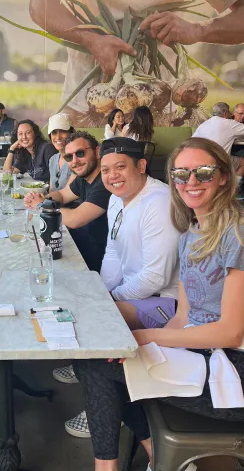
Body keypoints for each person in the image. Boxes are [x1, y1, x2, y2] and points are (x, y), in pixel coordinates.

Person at [71, 136, 244, 471]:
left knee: (98, 359)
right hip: (203, 356)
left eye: (203, 172)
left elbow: (230, 332)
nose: (191, 182)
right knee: (110, 356)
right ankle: (152, 457)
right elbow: (182, 316)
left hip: (233, 371)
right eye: (181, 174)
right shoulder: (192, 234)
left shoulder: (237, 233)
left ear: (224, 177)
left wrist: (148, 338)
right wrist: (142, 348)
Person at [30, 0, 244, 127]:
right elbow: (41, 1)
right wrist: (90, 40)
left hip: (158, 101)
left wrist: (198, 30)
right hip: (90, 101)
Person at [54, 137, 180, 440]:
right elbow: (112, 252)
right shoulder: (116, 198)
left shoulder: (159, 202)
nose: (112, 176)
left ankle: (102, 409)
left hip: (165, 303)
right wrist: (101, 291)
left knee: (94, 322)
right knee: (78, 301)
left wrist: (110, 299)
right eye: (107, 169)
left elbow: (156, 277)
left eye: (120, 167)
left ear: (141, 166)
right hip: (135, 293)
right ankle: (89, 373)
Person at [25, 130, 109, 273]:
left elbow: (75, 219)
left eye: (80, 153)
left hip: (92, 261)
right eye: (69, 157)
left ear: (97, 152)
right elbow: (62, 195)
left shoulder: (105, 182)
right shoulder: (83, 178)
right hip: (78, 245)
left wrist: (40, 206)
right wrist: (43, 199)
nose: (75, 161)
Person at [193, 102, 244, 175]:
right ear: (225, 113)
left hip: (199, 161)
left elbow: (191, 142)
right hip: (218, 162)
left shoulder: (203, 124)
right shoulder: (229, 123)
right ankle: (234, 182)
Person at [47, 113, 75, 191]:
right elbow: (51, 189)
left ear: (71, 133)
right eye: (54, 132)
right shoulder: (53, 159)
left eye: (63, 131)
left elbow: (67, 193)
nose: (58, 137)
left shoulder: (76, 159)